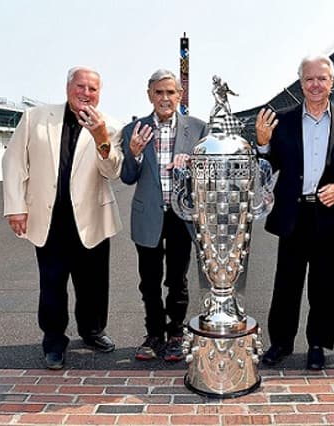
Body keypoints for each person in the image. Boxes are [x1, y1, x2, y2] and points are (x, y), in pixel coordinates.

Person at [2, 66, 124, 370]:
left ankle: (93, 331)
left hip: (92, 218)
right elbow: (14, 161)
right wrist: (16, 206)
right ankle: (54, 342)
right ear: (68, 87)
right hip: (50, 219)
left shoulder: (112, 125)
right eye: (80, 86)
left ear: (100, 93)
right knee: (52, 285)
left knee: (93, 285)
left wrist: (100, 137)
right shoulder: (36, 118)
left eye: (92, 89)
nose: (86, 93)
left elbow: (113, 171)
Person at [255, 54, 334, 370]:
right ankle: (280, 343)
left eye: (322, 78)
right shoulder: (283, 119)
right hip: (293, 214)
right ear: (301, 83)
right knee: (286, 284)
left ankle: (317, 344)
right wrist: (263, 145)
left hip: (329, 213)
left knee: (326, 284)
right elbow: (268, 167)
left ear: (332, 82)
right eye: (309, 79)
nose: (315, 84)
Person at [121, 69, 208, 362]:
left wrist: (192, 163)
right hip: (148, 216)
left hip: (182, 215)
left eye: (171, 92)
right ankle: (154, 334)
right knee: (149, 280)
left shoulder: (198, 129)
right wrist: (133, 153)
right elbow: (128, 178)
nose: (165, 98)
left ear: (180, 95)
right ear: (149, 95)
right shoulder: (133, 130)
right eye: (159, 92)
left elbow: (208, 177)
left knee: (177, 279)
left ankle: (175, 333)